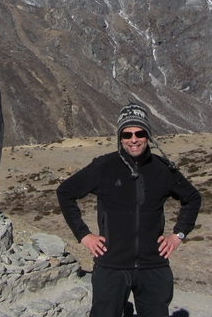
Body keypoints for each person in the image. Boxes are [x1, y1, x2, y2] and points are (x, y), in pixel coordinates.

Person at [56, 103, 201, 317]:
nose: (134, 139)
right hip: (111, 265)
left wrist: (178, 235)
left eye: (139, 132)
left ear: (148, 135)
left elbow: (192, 198)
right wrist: (84, 235)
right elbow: (65, 192)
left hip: (153, 266)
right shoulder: (103, 167)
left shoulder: (163, 169)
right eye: (127, 134)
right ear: (120, 137)